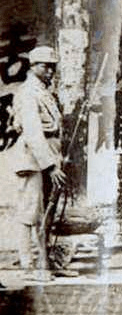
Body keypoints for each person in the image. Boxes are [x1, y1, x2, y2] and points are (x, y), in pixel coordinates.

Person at [11, 45, 66, 282]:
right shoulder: (27, 92)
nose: (51, 71)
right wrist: (50, 166)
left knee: (47, 213)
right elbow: (33, 132)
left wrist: (55, 161)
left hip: (47, 156)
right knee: (30, 212)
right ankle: (28, 266)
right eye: (46, 66)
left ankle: (45, 263)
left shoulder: (43, 92)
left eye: (53, 67)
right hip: (32, 160)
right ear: (33, 66)